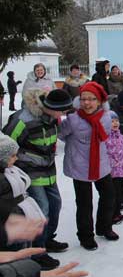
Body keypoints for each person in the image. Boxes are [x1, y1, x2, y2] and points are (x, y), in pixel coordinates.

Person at [2, 89, 73, 270]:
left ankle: (47, 239)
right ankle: (37, 252)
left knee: (55, 205)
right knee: (42, 210)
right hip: (29, 172)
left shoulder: (53, 118)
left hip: (48, 170)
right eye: (63, 111)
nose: (64, 114)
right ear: (52, 107)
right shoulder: (23, 119)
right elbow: (6, 143)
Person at [59, 82, 118, 251]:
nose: (87, 103)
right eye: (83, 99)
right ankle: (86, 236)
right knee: (84, 203)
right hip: (79, 166)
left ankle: (104, 227)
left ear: (99, 101)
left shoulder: (107, 117)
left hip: (101, 164)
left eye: (92, 99)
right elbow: (61, 134)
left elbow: (106, 137)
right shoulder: (73, 119)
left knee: (109, 196)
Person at [0, 132, 46, 246]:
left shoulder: (10, 170)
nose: (16, 158)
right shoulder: (3, 178)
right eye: (12, 155)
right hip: (10, 225)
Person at [105, 111, 123, 225]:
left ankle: (117, 211)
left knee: (119, 192)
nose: (115, 123)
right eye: (112, 121)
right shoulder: (105, 138)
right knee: (113, 193)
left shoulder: (121, 136)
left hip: (120, 169)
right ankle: (113, 214)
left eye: (116, 121)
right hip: (110, 170)